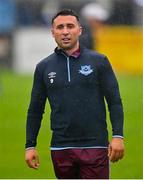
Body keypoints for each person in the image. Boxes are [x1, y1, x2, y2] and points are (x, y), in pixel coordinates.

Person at [25, 9, 125, 179]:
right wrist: (30, 146)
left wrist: (117, 136)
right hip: (60, 148)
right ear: (53, 32)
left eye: (70, 26)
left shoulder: (99, 61)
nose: (65, 31)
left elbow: (114, 101)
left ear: (79, 30)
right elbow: (35, 109)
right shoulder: (44, 67)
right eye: (60, 27)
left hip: (95, 145)